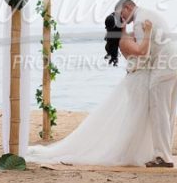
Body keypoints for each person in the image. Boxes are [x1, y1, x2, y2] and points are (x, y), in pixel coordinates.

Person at [26, 14, 155, 166]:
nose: (125, 17)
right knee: (135, 116)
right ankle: (129, 150)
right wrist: (148, 31)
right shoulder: (124, 40)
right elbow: (141, 51)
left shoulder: (127, 36)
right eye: (122, 17)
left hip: (138, 79)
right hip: (137, 81)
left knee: (135, 115)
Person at [116, 0, 177, 168]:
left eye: (122, 14)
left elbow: (143, 53)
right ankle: (165, 153)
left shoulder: (140, 21)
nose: (122, 18)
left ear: (128, 7)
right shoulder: (147, 13)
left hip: (163, 66)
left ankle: (162, 156)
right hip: (174, 61)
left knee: (159, 110)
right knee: (168, 111)